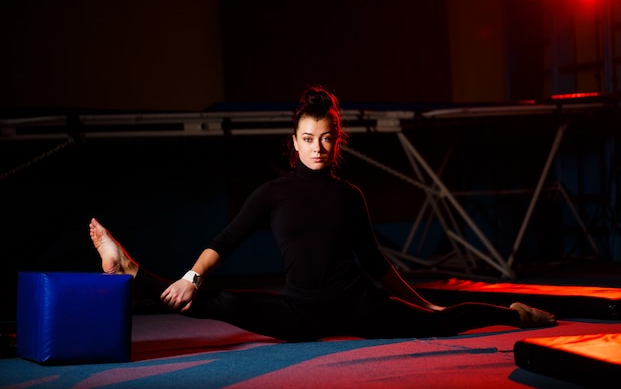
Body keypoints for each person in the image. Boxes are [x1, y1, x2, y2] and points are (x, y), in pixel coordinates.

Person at [89, 85, 556, 342]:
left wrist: (422, 304)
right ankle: (129, 270)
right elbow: (226, 241)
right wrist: (192, 275)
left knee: (441, 321)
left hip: (358, 308)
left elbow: (375, 264)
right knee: (214, 302)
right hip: (300, 314)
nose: (318, 147)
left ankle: (513, 313)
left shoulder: (350, 195)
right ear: (295, 142)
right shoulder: (273, 193)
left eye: (327, 137)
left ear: (338, 139)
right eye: (308, 138)